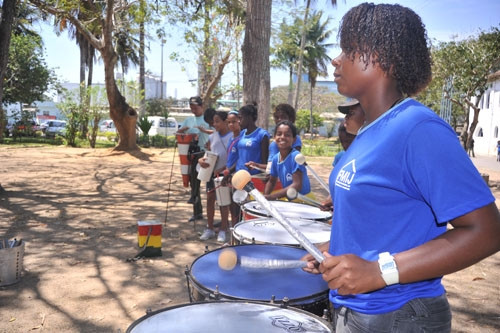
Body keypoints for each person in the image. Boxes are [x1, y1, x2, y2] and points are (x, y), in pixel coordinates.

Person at [302, 4, 500, 332]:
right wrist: (333, 250)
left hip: (399, 316)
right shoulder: (365, 132)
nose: (336, 60)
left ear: (381, 58)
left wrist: (380, 272)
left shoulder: (417, 129)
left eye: (348, 49)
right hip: (354, 310)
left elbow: (487, 231)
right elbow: (379, 222)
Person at [198, 111, 232, 242]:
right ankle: (210, 228)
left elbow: (232, 157)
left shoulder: (232, 137)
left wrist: (223, 169)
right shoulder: (212, 137)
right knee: (210, 199)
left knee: (224, 202)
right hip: (211, 173)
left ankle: (223, 229)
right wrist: (201, 160)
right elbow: (209, 154)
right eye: (214, 121)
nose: (214, 124)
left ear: (225, 122)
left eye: (218, 121)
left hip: (224, 174)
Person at [177, 96, 211, 222]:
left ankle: (211, 212)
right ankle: (197, 211)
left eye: (196, 108)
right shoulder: (188, 120)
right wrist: (183, 130)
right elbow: (179, 134)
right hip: (193, 153)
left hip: (207, 152)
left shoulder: (207, 119)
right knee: (194, 181)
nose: (194, 110)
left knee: (209, 184)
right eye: (192, 108)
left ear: (202, 106)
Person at [264, 121, 311, 201]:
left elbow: (297, 185)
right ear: (274, 137)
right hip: (290, 200)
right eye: (279, 134)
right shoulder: (276, 158)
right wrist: (265, 197)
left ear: (294, 139)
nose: (282, 137)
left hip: (304, 200)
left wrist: (272, 197)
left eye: (287, 135)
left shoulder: (295, 157)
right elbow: (272, 181)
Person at [235, 103, 270, 175]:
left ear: (249, 117)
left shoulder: (262, 135)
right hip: (239, 174)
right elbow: (240, 157)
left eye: (240, 118)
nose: (238, 121)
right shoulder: (242, 133)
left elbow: (264, 161)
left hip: (253, 176)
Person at [267, 104, 302, 171]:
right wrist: (257, 165)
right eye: (277, 117)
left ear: (291, 119)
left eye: (283, 117)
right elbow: (272, 164)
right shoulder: (277, 139)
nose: (279, 119)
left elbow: (293, 162)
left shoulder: (294, 139)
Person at [225, 110, 242, 225]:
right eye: (229, 122)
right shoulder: (231, 138)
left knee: (237, 206)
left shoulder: (242, 139)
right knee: (230, 204)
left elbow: (240, 158)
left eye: (234, 122)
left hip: (237, 175)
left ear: (239, 121)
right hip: (229, 175)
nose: (231, 124)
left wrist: (231, 171)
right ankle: (232, 228)